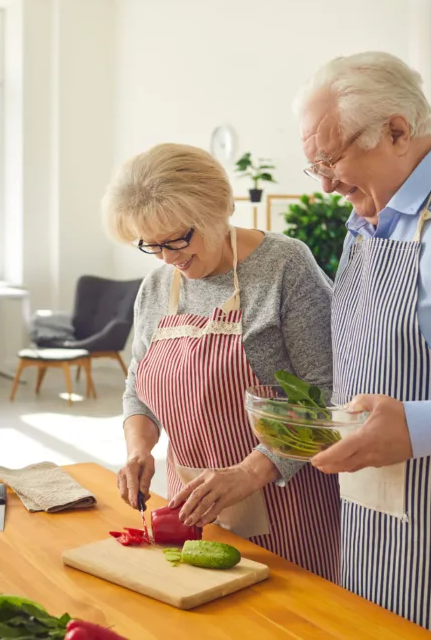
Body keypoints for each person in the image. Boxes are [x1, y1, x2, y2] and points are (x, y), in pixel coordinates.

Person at [294, 51, 431, 640]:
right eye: (313, 165)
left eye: (331, 158)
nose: (324, 183)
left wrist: (426, 424)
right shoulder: (367, 220)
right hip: (372, 522)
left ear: (397, 131)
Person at [102, 142, 340, 582]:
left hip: (288, 511)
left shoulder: (285, 266)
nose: (169, 258)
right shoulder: (156, 287)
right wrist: (139, 449)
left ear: (217, 209)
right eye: (151, 246)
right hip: (192, 512)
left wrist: (248, 473)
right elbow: (139, 389)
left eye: (177, 239)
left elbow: (325, 397)